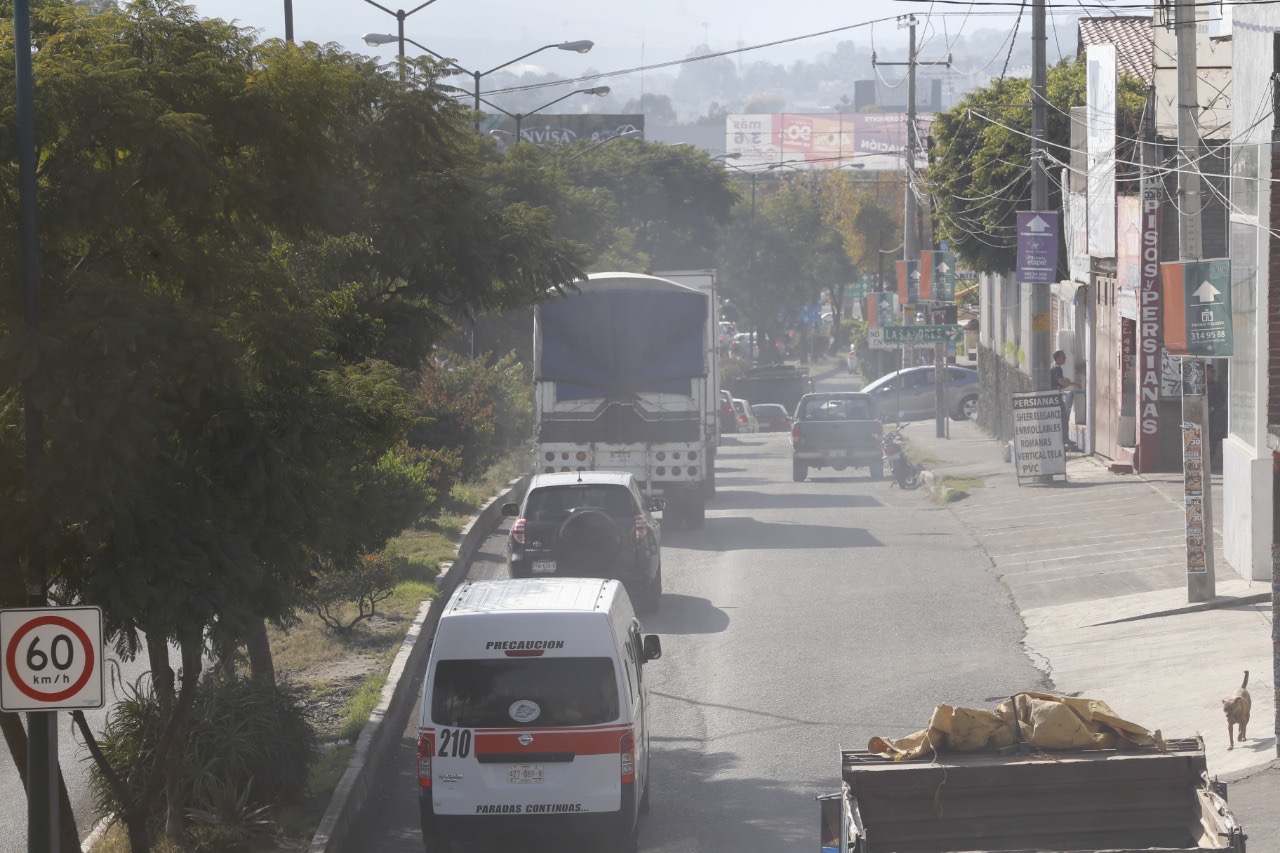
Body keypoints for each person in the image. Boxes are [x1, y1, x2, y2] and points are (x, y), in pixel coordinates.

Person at [1050, 350, 1082, 449]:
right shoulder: (1057, 368)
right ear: (1057, 358)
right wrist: (1074, 384)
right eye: (1063, 357)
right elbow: (1061, 381)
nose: (1065, 359)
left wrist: (1065, 382)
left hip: (1052, 396)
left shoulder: (1052, 367)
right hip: (1055, 396)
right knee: (1064, 417)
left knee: (1057, 418)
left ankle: (1059, 438)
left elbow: (1058, 382)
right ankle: (1065, 438)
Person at [1207, 364, 1226, 470]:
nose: (1213, 374)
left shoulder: (1216, 386)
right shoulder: (1200, 385)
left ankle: (1209, 462)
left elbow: (1221, 400)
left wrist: (1212, 408)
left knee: (1212, 441)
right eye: (1211, 372)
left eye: (1214, 372)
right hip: (1200, 417)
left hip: (1213, 418)